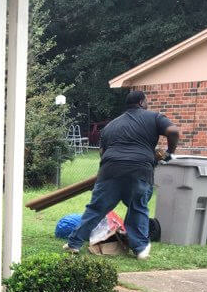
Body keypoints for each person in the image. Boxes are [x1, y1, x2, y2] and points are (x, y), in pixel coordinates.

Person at [64, 90, 180, 259]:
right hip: (139, 170)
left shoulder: (111, 125)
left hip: (110, 170)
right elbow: (173, 131)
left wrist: (111, 167)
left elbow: (102, 153)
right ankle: (140, 249)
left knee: (96, 208)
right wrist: (170, 152)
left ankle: (73, 244)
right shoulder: (155, 117)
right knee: (138, 207)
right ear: (141, 102)